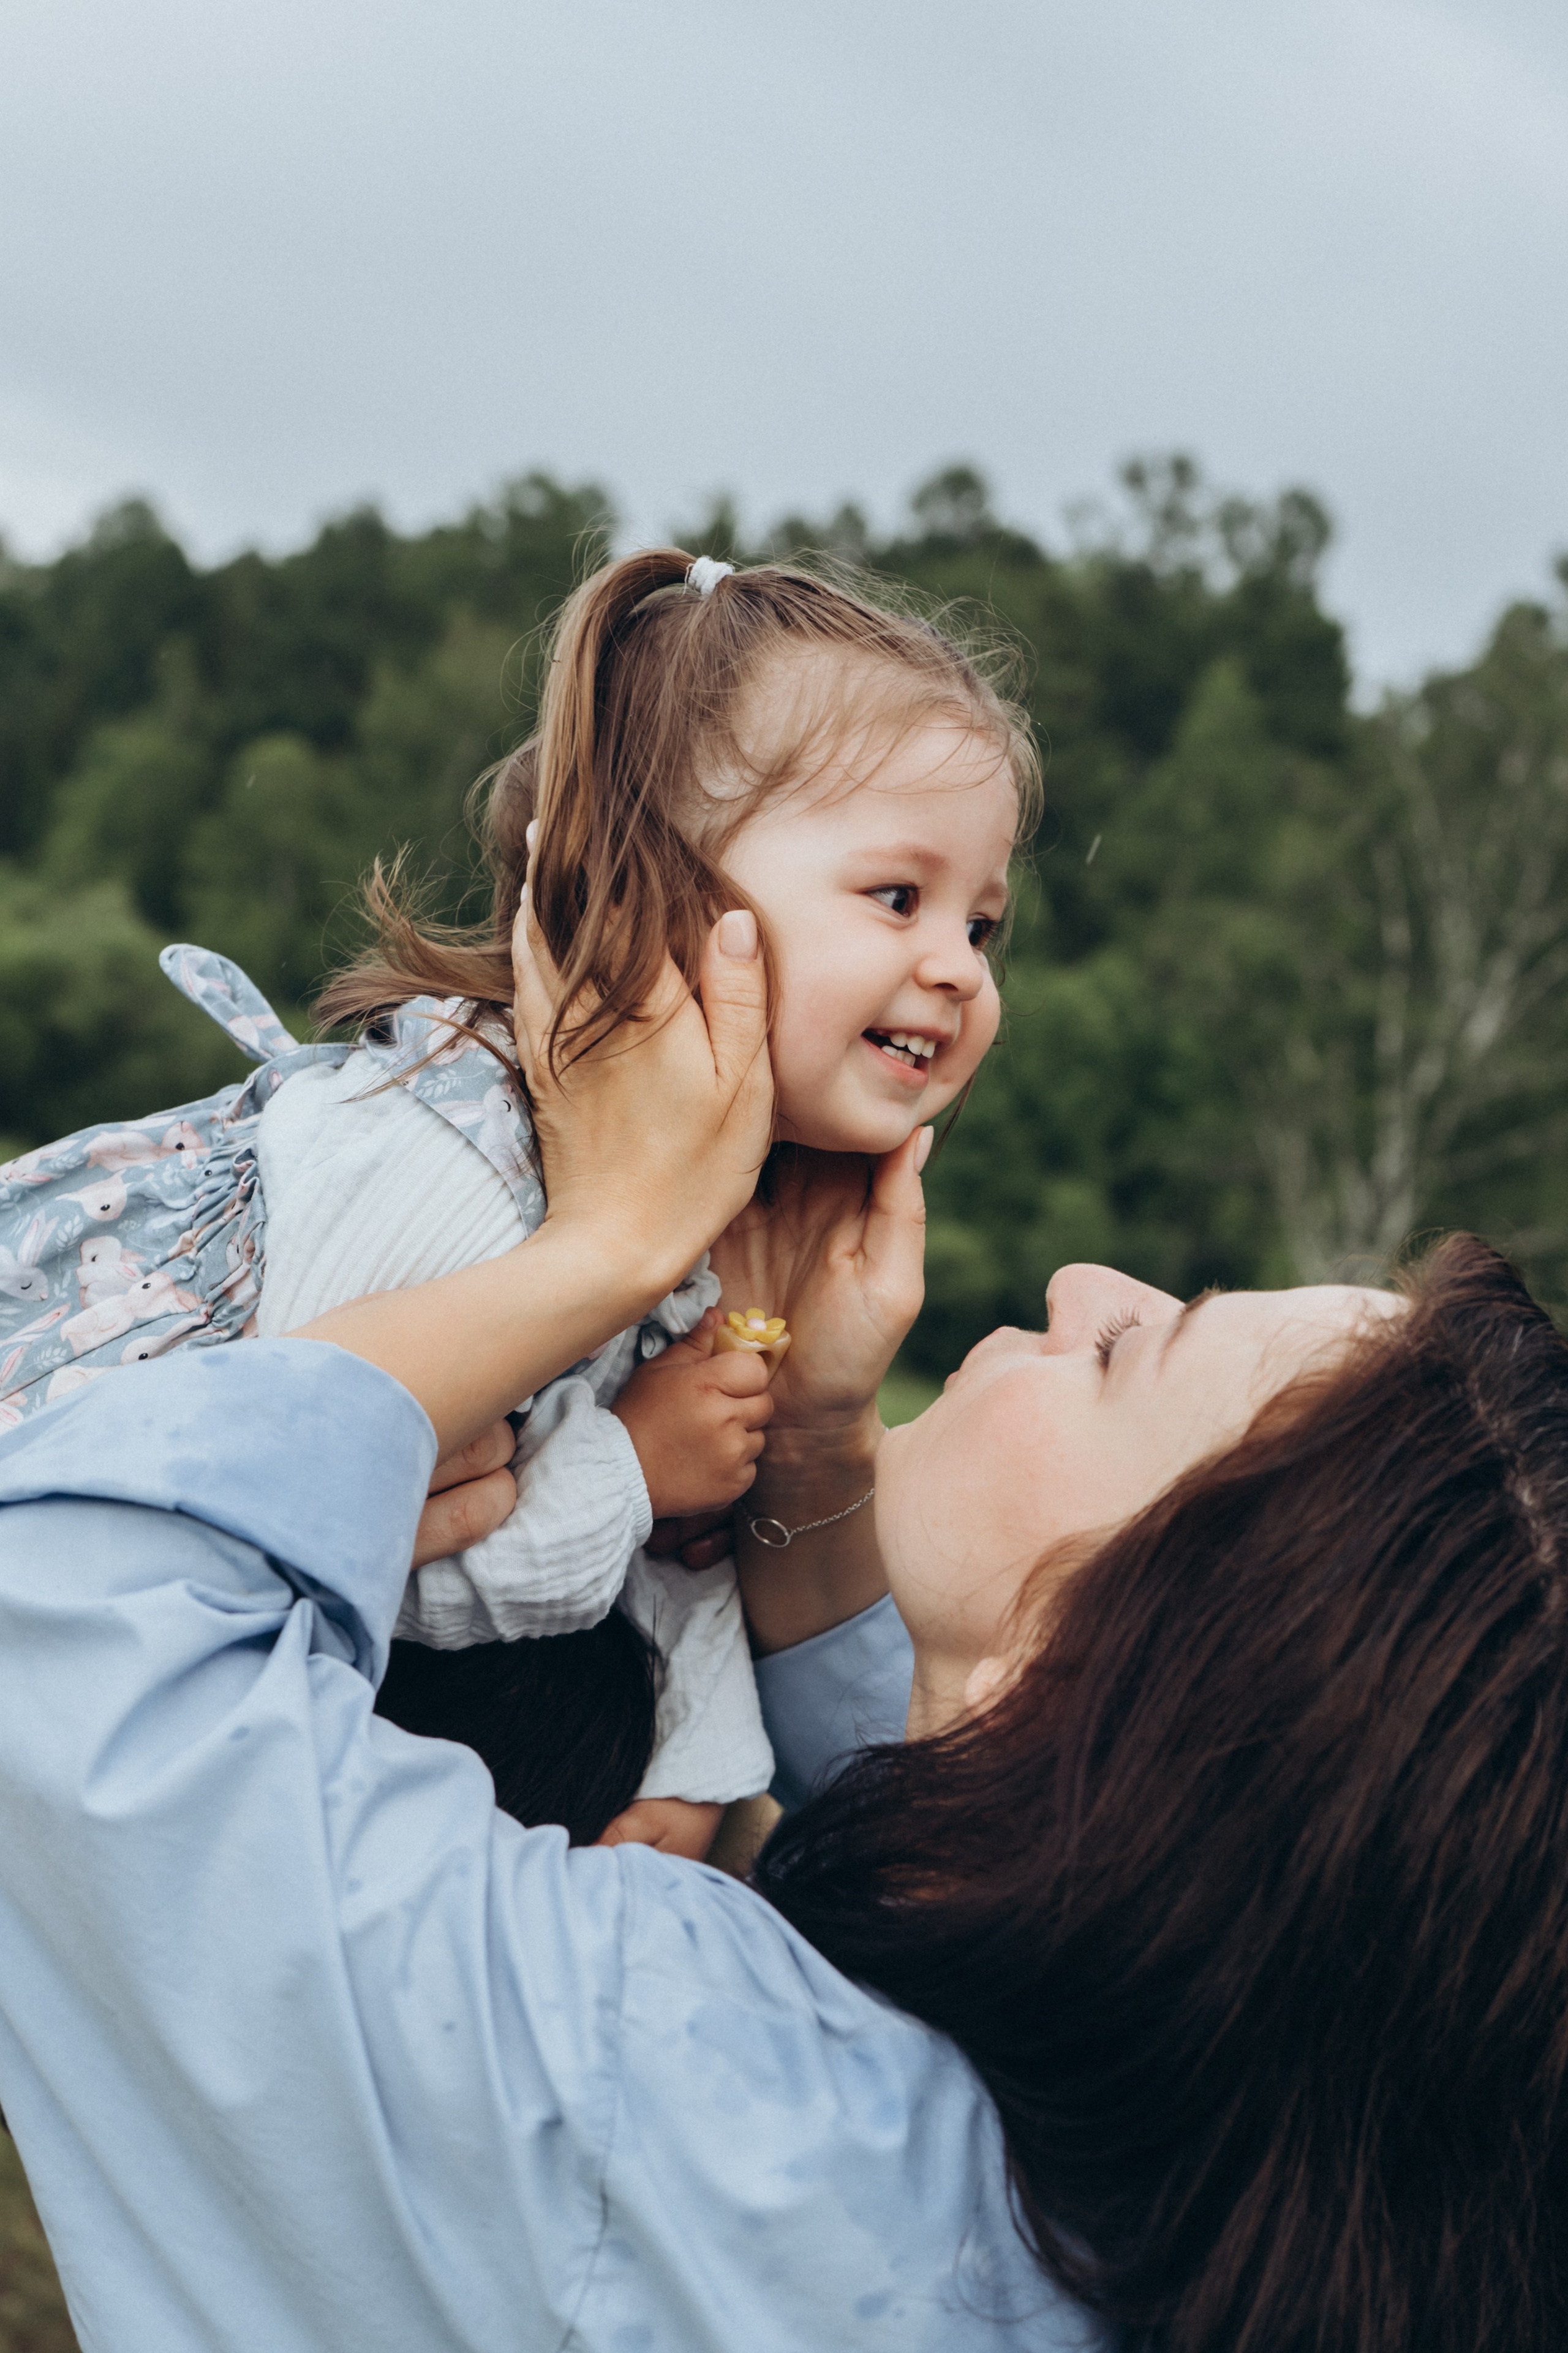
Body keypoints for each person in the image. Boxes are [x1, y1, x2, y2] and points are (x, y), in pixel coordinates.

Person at [1, 902, 1563, 2353]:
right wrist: (810, 1440)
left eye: (1136, 1353)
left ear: (1107, 1674)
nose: (1088, 1279)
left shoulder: (662, 2099)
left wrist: (597, 1250)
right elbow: (971, 1801)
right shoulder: (1254, 2197)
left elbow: (63, 1630)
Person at [0, 546, 1035, 1854]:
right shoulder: (444, 1154)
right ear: (655, 880)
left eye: (981, 925)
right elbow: (290, 1559)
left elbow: (692, 1562)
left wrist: (698, 1777)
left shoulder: (725, 1224)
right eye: (898, 897)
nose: (955, 970)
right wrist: (629, 1473)